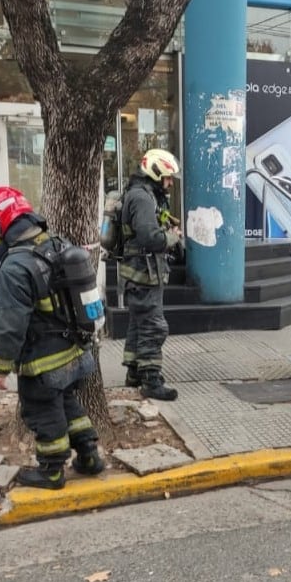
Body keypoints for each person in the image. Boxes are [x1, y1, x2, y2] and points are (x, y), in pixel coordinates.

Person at [0, 186, 104, 490]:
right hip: (75, 353)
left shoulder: (15, 267)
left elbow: (11, 325)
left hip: (43, 362)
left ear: (0, 225)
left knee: (43, 412)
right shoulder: (56, 244)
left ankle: (51, 471)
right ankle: (89, 456)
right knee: (68, 404)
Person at [119, 149, 183, 401]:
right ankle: (150, 378)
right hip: (143, 275)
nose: (169, 184)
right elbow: (150, 238)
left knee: (139, 324)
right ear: (156, 174)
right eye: (167, 178)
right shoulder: (143, 199)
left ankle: (134, 372)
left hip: (139, 273)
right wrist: (173, 237)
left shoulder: (139, 194)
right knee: (153, 326)